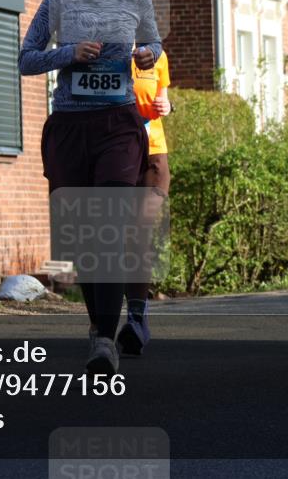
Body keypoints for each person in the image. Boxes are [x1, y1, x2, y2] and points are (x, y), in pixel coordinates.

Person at [20, 0, 162, 375]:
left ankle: (104, 338)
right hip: (70, 128)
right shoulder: (58, 0)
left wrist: (145, 55)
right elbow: (26, 59)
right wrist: (68, 53)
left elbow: (154, 48)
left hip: (118, 125)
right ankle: (100, 326)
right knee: (86, 237)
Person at [117, 50, 172, 355]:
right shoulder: (108, 54)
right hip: (118, 154)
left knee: (140, 233)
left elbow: (162, 99)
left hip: (153, 156)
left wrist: (166, 104)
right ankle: (103, 323)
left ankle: (137, 319)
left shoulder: (158, 56)